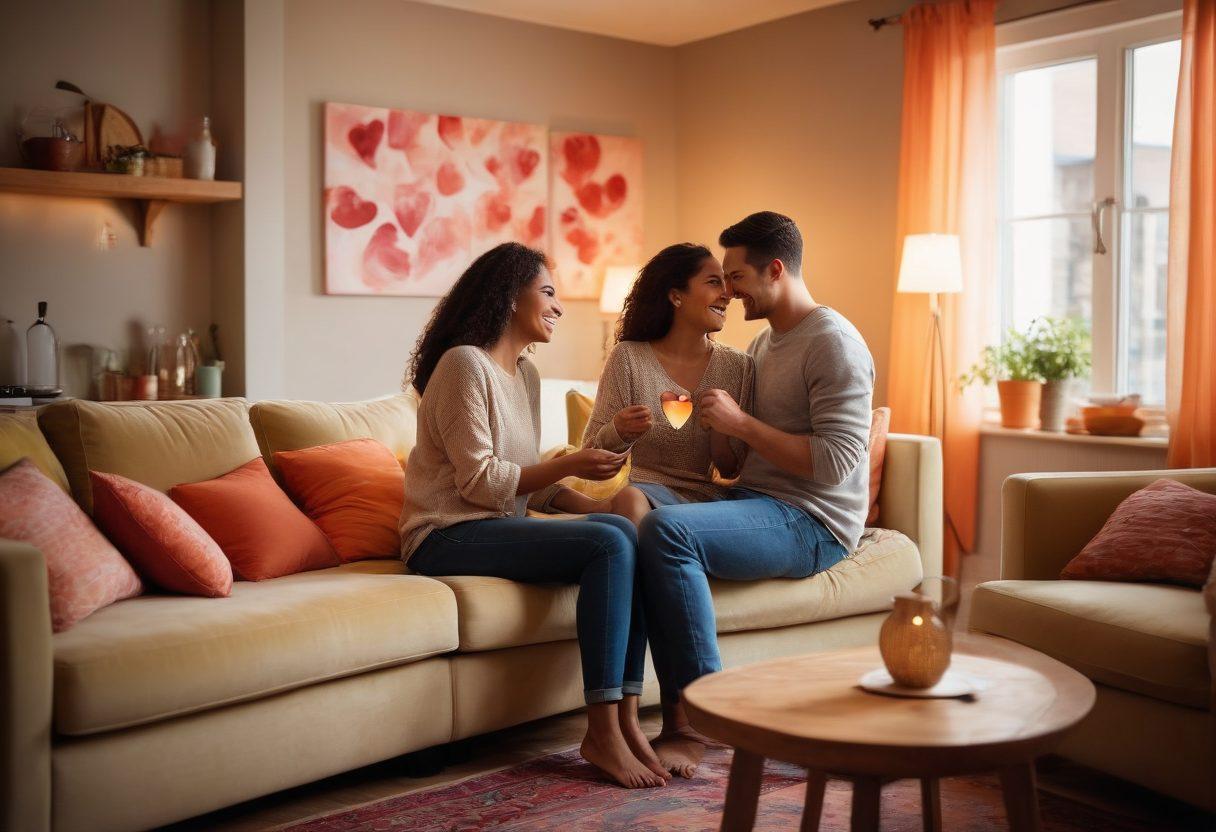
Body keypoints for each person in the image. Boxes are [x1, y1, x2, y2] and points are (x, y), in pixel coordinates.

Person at [400, 242, 667, 789]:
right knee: (609, 542)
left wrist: (594, 503)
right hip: (444, 536)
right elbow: (480, 485)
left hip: (490, 525)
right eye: (548, 292)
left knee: (625, 530)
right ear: (508, 296)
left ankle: (623, 716)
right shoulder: (462, 365)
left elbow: (526, 487)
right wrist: (568, 464)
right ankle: (601, 730)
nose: (559, 307)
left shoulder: (525, 376)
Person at [638, 212, 875, 777]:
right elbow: (740, 460)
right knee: (636, 506)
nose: (729, 290)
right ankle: (618, 710)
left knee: (668, 531)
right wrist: (721, 426)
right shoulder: (766, 343)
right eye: (722, 278)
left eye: (737, 276)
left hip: (813, 521)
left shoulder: (834, 345)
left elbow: (838, 465)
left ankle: (697, 720)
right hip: (757, 502)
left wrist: (742, 424)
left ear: (775, 270)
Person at [581, 243, 754, 526]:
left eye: (725, 284)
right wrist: (618, 431)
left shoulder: (738, 365)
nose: (727, 294)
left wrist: (722, 431)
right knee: (629, 499)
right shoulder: (628, 357)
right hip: (645, 497)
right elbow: (589, 456)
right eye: (713, 283)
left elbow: (731, 469)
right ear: (676, 296)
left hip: (709, 506)